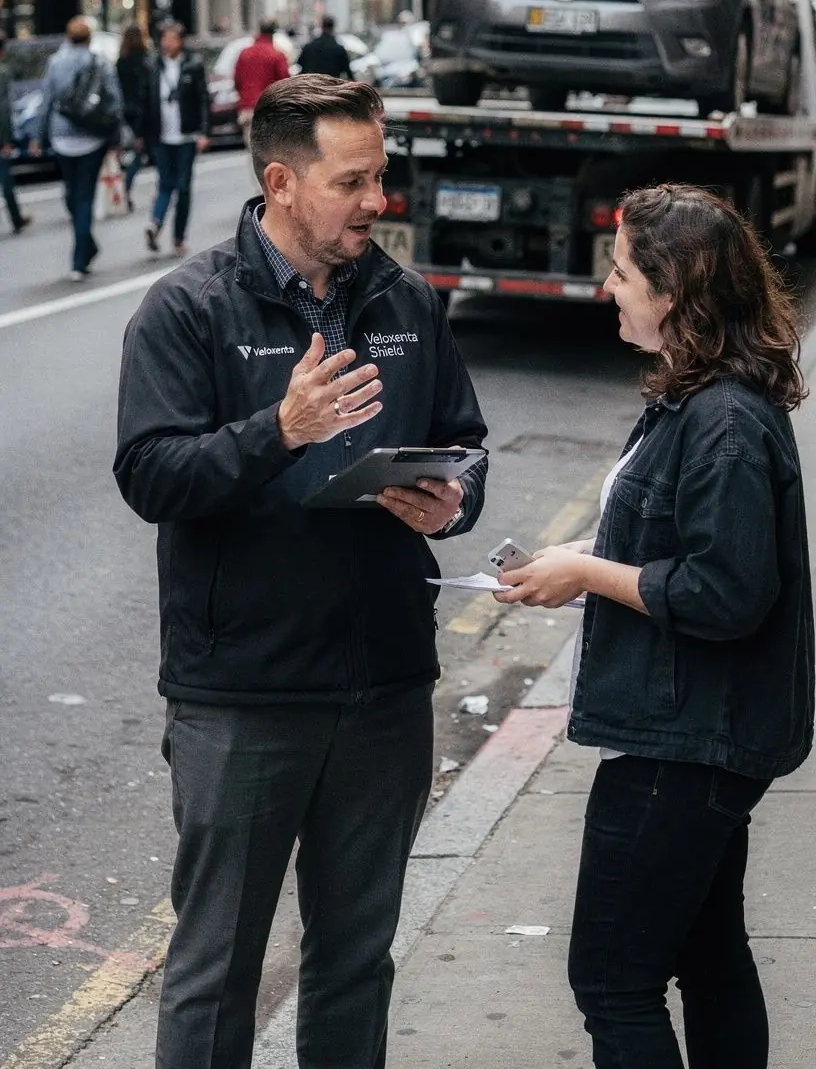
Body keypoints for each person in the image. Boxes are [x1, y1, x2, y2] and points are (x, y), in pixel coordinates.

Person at [114, 73, 488, 1069]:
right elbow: (151, 474)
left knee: (356, 964)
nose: (379, 200)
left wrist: (454, 500)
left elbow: (466, 442)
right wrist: (276, 431)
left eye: (382, 175)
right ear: (281, 182)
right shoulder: (187, 308)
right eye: (354, 180)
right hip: (244, 696)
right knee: (213, 972)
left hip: (384, 691)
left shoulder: (405, 298)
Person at [495, 184, 815, 1069]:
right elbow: (680, 535)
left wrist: (589, 572)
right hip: (701, 731)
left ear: (673, 290)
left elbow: (726, 591)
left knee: (612, 982)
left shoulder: (722, 423)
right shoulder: (705, 397)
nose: (609, 286)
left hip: (687, 742)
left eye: (624, 270)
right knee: (709, 960)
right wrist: (571, 564)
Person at [40, 16, 123, 280]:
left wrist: (39, 135)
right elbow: (114, 100)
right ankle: (82, 253)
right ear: (90, 38)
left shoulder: (55, 63)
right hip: (92, 136)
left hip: (61, 136)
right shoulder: (100, 63)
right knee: (84, 195)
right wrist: (116, 136)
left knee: (71, 193)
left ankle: (81, 253)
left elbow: (47, 100)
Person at [141, 21, 210, 258]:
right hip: (161, 135)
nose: (166, 43)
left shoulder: (193, 65)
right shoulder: (152, 65)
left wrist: (203, 132)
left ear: (180, 42)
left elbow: (203, 99)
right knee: (164, 182)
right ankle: (155, 224)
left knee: (183, 187)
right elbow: (145, 100)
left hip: (186, 135)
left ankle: (179, 236)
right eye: (163, 38)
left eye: (171, 38)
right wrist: (143, 134)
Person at [233, 18, 290, 148]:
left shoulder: (245, 54)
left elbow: (237, 80)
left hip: (247, 107)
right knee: (271, 151)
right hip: (270, 108)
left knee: (253, 150)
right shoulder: (277, 55)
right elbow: (284, 82)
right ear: (274, 33)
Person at [0, 30, 32, 235]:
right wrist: (6, 139)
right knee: (5, 178)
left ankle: (17, 217)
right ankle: (16, 217)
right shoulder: (2, 72)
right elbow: (3, 109)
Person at [116, 22, 150, 210]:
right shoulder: (146, 59)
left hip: (126, 111)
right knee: (143, 151)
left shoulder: (121, 60)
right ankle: (126, 187)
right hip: (142, 111)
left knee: (137, 151)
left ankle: (126, 188)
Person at [297, 14, 353, 79]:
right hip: (331, 85)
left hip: (313, 84)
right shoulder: (339, 49)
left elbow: (300, 64)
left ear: (322, 27)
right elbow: (347, 71)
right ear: (333, 27)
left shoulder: (309, 47)